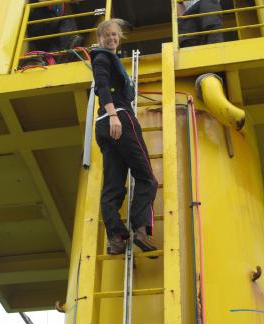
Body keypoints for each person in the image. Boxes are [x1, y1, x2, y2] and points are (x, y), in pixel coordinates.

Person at [91, 19, 158, 255]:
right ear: (100, 38)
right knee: (147, 178)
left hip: (104, 128)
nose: (111, 39)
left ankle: (116, 237)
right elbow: (101, 85)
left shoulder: (105, 58)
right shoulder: (102, 58)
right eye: (107, 35)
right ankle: (140, 230)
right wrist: (114, 116)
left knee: (112, 186)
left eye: (115, 35)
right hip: (118, 120)